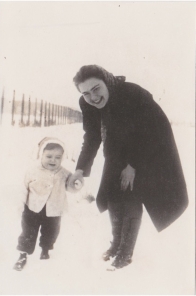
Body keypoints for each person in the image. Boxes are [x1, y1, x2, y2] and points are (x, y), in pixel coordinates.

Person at [69, 65, 188, 270]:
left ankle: (126, 252)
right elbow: (92, 136)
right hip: (116, 151)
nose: (93, 97)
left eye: (96, 89)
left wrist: (133, 165)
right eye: (86, 93)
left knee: (132, 194)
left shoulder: (131, 93)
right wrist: (80, 168)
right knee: (113, 196)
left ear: (106, 81)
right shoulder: (86, 103)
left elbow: (155, 129)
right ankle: (116, 244)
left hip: (149, 148)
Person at [13, 137, 83, 271]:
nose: (53, 160)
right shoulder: (32, 170)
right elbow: (22, 188)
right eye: (49, 156)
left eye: (58, 157)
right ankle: (23, 254)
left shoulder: (64, 173)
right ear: (41, 155)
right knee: (28, 232)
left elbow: (70, 187)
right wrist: (20, 205)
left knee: (51, 232)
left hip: (54, 210)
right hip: (32, 209)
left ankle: (45, 249)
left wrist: (76, 185)